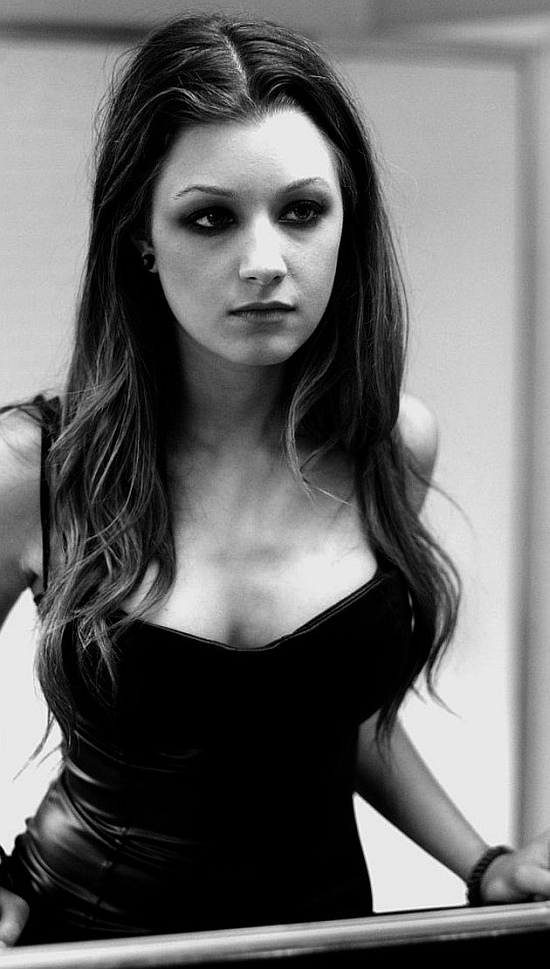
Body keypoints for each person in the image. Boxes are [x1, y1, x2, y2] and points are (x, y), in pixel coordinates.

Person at [0, 12, 549, 948]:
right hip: (78, 943)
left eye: (301, 211)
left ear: (345, 222)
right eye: (210, 217)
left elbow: (334, 718)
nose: (264, 263)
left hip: (322, 940)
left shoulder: (390, 443)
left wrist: (483, 863)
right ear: (140, 234)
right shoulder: (36, 466)